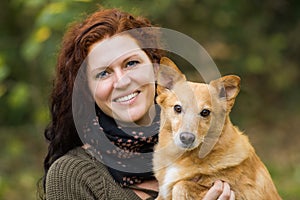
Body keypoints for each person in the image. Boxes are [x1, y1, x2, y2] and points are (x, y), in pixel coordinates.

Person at [40, 8, 235, 200]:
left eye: (131, 63)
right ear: (87, 90)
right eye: (103, 73)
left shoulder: (215, 155)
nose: (123, 81)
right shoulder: (72, 175)